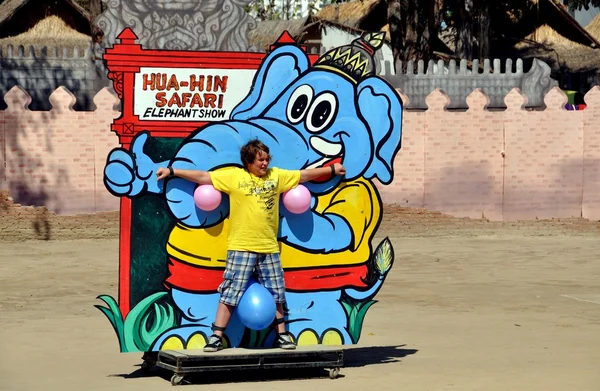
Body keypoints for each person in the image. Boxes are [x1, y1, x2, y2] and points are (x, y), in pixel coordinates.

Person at [156, 139, 346, 352]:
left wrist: (331, 169)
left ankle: (282, 335)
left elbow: (304, 175)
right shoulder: (235, 177)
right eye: (260, 160)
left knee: (276, 293)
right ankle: (216, 336)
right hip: (241, 247)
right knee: (230, 292)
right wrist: (172, 171)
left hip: (269, 248)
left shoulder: (277, 176)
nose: (264, 164)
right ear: (248, 161)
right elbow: (203, 177)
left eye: (266, 159)